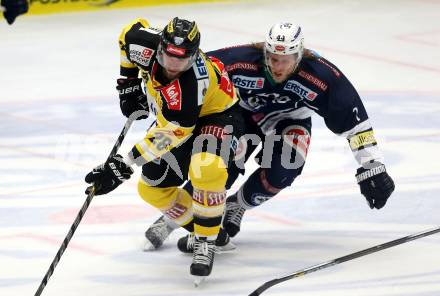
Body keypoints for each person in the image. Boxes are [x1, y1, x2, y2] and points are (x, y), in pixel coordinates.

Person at [142, 21, 395, 251]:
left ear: (300, 55)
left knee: (285, 167)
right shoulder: (240, 60)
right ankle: (173, 218)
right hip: (240, 113)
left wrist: (373, 165)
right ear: (265, 52)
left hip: (290, 120)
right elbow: (193, 74)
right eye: (273, 58)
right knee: (218, 164)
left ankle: (237, 206)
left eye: (286, 59)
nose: (278, 66)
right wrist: (166, 106)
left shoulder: (322, 76)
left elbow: (356, 123)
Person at [85, 17, 244, 282]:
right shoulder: (145, 45)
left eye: (181, 60)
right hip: (173, 119)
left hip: (217, 115)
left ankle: (205, 242)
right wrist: (128, 82)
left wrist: (125, 163)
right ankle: (208, 229)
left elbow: (173, 133)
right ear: (161, 47)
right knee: (151, 188)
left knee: (207, 167)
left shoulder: (191, 83)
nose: (173, 64)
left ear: (193, 57)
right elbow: (127, 34)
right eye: (169, 55)